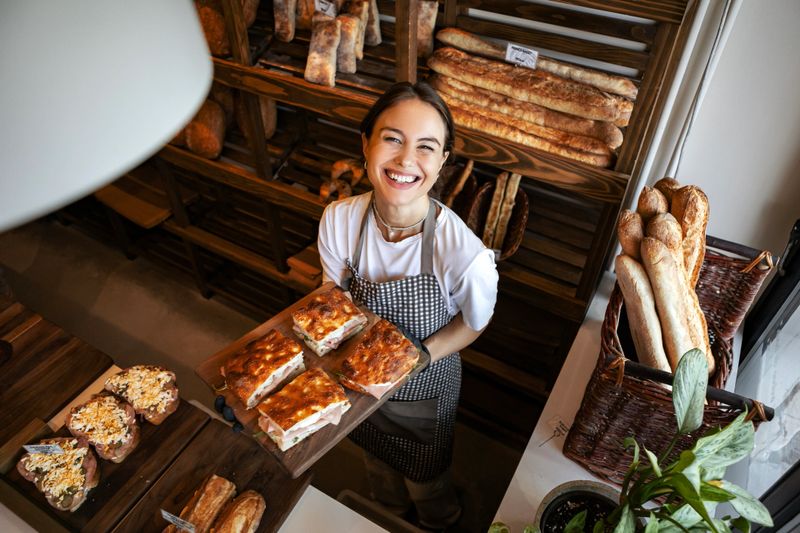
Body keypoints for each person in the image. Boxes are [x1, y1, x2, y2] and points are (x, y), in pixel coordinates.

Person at [317, 81, 498, 529]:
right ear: (366, 142)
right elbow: (331, 301)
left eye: (425, 147)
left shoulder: (464, 255)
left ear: (441, 163)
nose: (404, 160)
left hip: (424, 390)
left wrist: (414, 360)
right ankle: (386, 517)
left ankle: (440, 521)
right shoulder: (340, 218)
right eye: (392, 138)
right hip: (357, 383)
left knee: (427, 484)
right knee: (375, 465)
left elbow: (473, 324)